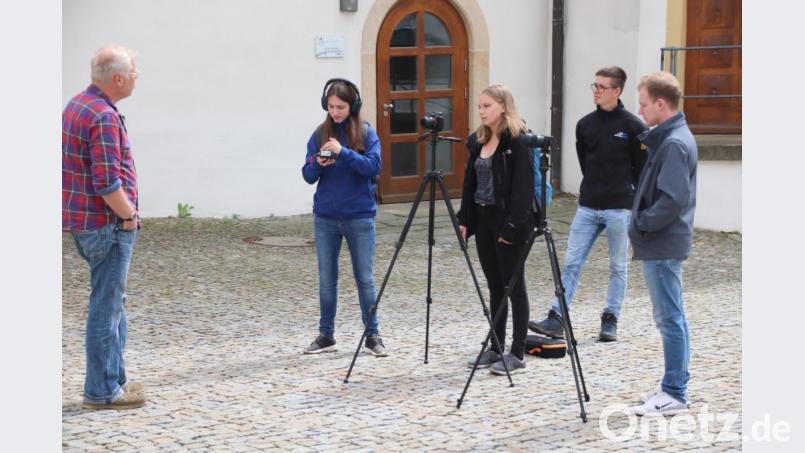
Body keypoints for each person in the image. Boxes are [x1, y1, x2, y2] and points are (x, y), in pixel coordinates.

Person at [530, 66, 647, 342]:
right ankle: (557, 317)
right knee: (571, 264)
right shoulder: (585, 124)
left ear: (616, 91)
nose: (596, 91)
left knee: (618, 267)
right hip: (587, 206)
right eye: (594, 86)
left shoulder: (634, 126)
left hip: (619, 208)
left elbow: (642, 169)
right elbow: (585, 162)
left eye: (601, 87)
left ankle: (610, 319)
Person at [63, 44, 146, 410]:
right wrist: (127, 215)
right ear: (118, 78)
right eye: (134, 71)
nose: (137, 76)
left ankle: (116, 379)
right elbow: (107, 181)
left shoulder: (78, 104)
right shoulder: (103, 116)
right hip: (107, 225)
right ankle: (101, 391)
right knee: (107, 307)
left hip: (85, 223)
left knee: (114, 303)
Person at [629, 72, 697, 416]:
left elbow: (672, 199)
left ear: (660, 103)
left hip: (662, 243)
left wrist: (641, 223)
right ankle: (673, 387)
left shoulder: (673, 143)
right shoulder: (670, 138)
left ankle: (673, 393)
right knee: (674, 317)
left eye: (643, 104)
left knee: (669, 319)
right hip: (664, 243)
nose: (640, 111)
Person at [301, 78, 386, 356]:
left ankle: (373, 336)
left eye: (340, 106)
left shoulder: (365, 133)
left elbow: (373, 167)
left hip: (359, 216)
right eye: (331, 106)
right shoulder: (319, 133)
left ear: (353, 106)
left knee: (365, 278)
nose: (335, 111)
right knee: (327, 279)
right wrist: (318, 163)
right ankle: (326, 335)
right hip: (326, 216)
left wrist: (344, 153)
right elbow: (307, 174)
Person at [457, 85, 536, 375]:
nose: (481, 111)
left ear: (503, 107)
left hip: (510, 223)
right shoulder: (478, 140)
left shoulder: (518, 141)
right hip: (484, 219)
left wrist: (512, 227)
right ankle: (495, 346)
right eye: (479, 106)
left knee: (514, 287)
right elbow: (470, 183)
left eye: (486, 106)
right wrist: (465, 218)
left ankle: (517, 352)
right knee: (494, 286)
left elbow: (523, 190)